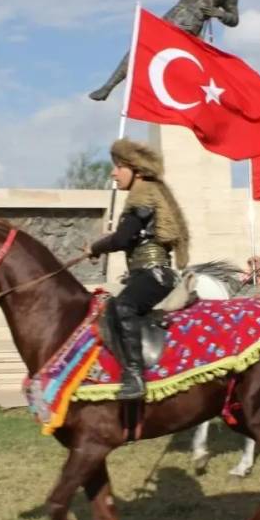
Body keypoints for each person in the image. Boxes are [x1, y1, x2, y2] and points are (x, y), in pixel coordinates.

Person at [85, 138, 190, 400]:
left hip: (154, 274)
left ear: (137, 170)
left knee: (123, 307)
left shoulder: (142, 196)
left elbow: (122, 239)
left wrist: (97, 246)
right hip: (143, 273)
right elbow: (126, 237)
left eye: (118, 166)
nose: (113, 172)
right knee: (109, 308)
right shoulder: (144, 194)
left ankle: (134, 376)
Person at [88, 0, 249, 101]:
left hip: (194, 29)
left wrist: (219, 13)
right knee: (141, 49)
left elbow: (234, 20)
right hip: (174, 19)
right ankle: (108, 87)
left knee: (191, 70)